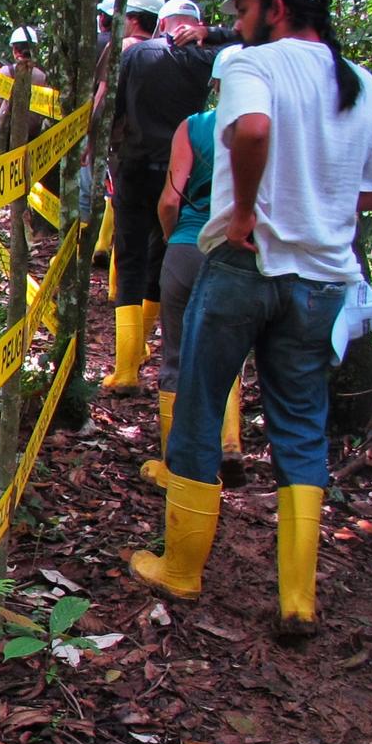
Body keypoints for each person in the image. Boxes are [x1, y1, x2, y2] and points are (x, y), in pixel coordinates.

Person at [129, 0, 372, 639]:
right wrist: (320, 200)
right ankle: (297, 599)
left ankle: (182, 569)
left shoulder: (252, 66)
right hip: (322, 283)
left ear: (275, 6)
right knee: (300, 428)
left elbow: (250, 130)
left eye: (243, 7)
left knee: (199, 408)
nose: (237, 22)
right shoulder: (361, 85)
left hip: (245, 267)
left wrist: (246, 208)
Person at [102, 0, 232, 393]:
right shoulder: (206, 61)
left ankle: (126, 367)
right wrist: (213, 34)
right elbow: (252, 42)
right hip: (181, 172)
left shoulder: (138, 56)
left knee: (130, 255)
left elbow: (115, 107)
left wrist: (104, 147)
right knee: (163, 253)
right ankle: (141, 350)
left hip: (134, 165)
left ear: (161, 23)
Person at [145, 82, 245, 490]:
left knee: (176, 357)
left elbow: (170, 200)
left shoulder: (196, 126)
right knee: (228, 353)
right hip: (240, 254)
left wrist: (173, 237)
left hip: (189, 244)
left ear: (217, 85)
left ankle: (174, 465)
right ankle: (229, 441)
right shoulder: (273, 126)